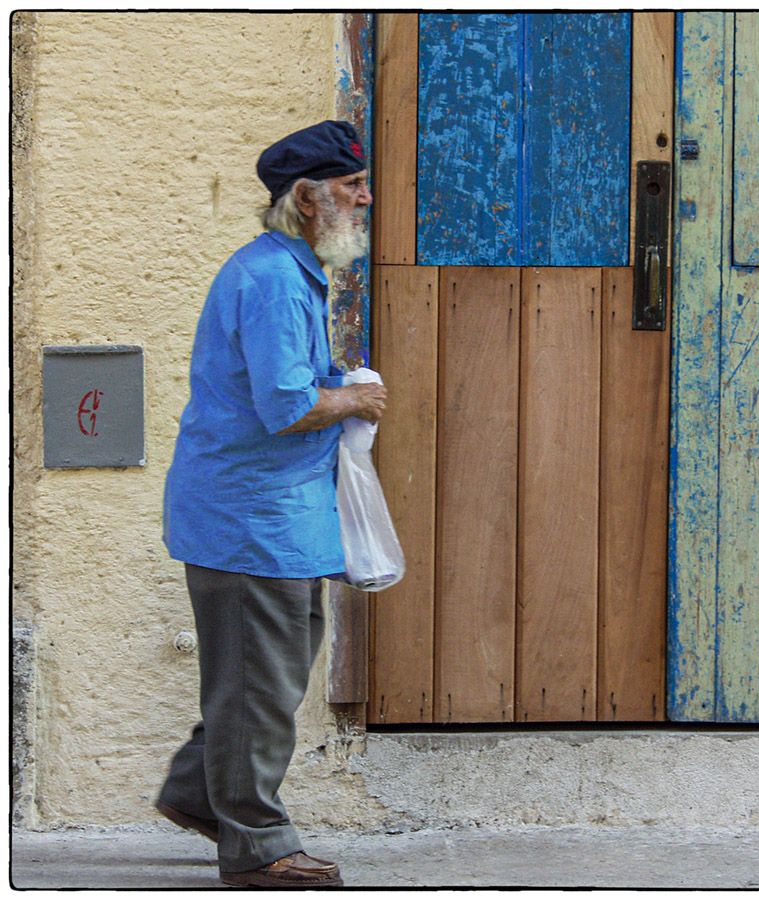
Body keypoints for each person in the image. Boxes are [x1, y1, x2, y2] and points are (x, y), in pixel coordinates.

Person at [155, 120, 385, 889]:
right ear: (308, 198)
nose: (366, 196)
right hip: (251, 520)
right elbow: (287, 404)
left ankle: (199, 791)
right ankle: (257, 845)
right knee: (261, 681)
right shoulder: (277, 281)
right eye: (353, 185)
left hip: (267, 516)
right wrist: (355, 395)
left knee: (262, 675)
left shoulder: (285, 272)